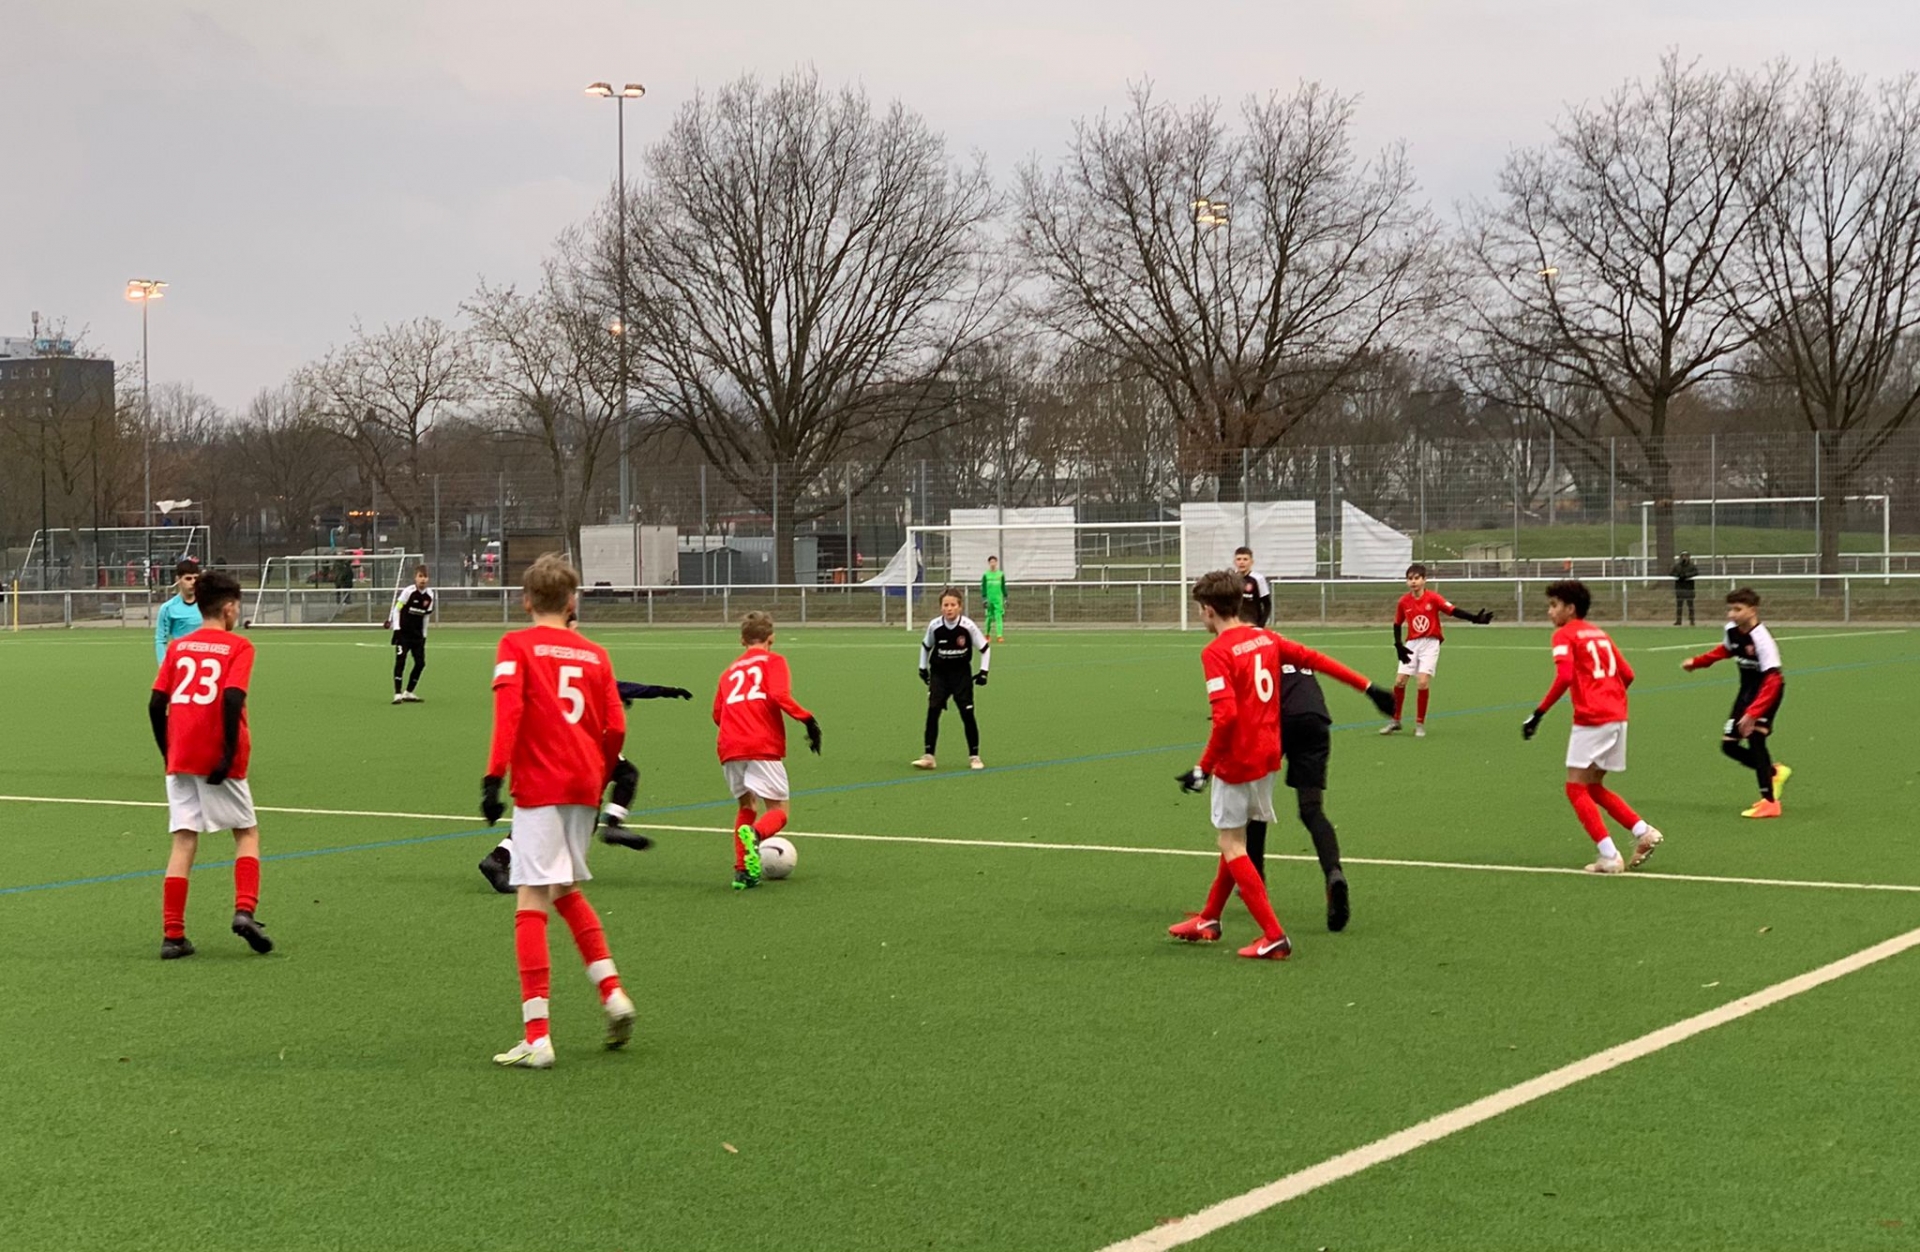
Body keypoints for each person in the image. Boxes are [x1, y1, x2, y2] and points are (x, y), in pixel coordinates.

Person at [479, 554, 636, 1069]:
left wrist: (493, 778)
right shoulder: (596, 654)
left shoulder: (516, 645)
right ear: (572, 602)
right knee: (564, 887)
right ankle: (612, 994)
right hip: (584, 785)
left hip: (540, 785)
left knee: (530, 895)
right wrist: (599, 772)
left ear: (526, 601)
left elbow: (509, 713)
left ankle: (538, 1037)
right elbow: (616, 726)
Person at [1166, 570, 1338, 961]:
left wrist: (1203, 767)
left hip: (1237, 759)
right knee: (1236, 836)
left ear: (1208, 610)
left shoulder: (1215, 651)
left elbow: (1225, 717)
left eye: (1199, 609)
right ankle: (1210, 918)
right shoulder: (1262, 637)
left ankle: (1274, 935)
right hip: (1266, 757)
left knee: (1230, 843)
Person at [476, 613, 694, 893]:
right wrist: (662, 691)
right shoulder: (582, 658)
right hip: (577, 750)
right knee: (571, 806)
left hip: (559, 748)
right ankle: (605, 828)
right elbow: (619, 695)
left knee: (558, 809)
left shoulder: (543, 658)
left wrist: (661, 691)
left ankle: (506, 858)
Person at [146, 570, 274, 960]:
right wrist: (228, 753)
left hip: (181, 755)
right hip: (218, 754)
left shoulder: (178, 647)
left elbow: (156, 704)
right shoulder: (239, 646)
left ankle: (173, 935)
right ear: (230, 607)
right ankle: (244, 911)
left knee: (184, 838)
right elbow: (232, 698)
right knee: (246, 832)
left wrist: (167, 753)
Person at [1253, 632, 1396, 931]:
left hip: (1277, 722)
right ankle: (1333, 873)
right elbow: (1325, 663)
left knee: (1255, 808)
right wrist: (1370, 689)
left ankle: (1255, 884)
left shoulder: (1250, 648)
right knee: (1311, 810)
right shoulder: (1288, 648)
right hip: (1315, 719)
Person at [1522, 580, 1665, 872]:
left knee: (1575, 788)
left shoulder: (1565, 634)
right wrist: (1609, 696)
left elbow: (1564, 677)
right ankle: (1643, 832)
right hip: (1617, 717)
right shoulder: (1600, 633)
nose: (1550, 612)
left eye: (1554, 605)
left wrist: (1539, 713)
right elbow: (1628, 674)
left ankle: (1609, 856)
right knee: (1593, 787)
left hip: (1592, 719)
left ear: (1570, 608)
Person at [715, 611, 822, 889]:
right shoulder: (774, 661)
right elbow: (778, 695)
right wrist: (807, 720)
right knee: (779, 810)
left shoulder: (728, 673)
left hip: (729, 745)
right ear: (771, 638)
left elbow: (717, 714)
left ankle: (743, 872)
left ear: (742, 640)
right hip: (761, 743)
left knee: (746, 805)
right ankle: (755, 834)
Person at [1681, 588, 1790, 819]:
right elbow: (1725, 650)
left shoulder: (1762, 640)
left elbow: (1773, 679)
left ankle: (1770, 802)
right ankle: (1773, 772)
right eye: (1730, 609)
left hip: (1767, 693)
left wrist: (1753, 713)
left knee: (1756, 739)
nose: (1732, 614)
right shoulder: (1732, 630)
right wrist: (1698, 662)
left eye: (1738, 609)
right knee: (1729, 745)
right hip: (1746, 693)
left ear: (1753, 610)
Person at [1380, 563, 1494, 738]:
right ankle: (1395, 720)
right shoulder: (1403, 601)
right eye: (1410, 579)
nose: (1413, 582)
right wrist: (1398, 645)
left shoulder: (1433, 598)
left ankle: (1419, 724)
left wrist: (1474, 618)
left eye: (1417, 578)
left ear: (1424, 580)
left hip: (1430, 643)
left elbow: (1453, 610)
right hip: (1411, 644)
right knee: (1400, 681)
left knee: (1422, 682)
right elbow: (1397, 624)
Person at [912, 588, 991, 771]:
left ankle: (974, 757)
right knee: (933, 712)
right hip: (939, 675)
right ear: (941, 607)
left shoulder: (968, 626)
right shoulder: (935, 626)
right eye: (945, 605)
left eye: (953, 605)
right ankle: (929, 756)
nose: (949, 608)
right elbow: (926, 646)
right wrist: (922, 668)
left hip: (961, 676)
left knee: (967, 714)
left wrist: (984, 672)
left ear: (960, 607)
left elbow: (985, 648)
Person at [388, 564, 434, 703]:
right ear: (415, 578)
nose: (423, 579)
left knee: (420, 663)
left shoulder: (430, 595)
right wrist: (396, 629)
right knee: (400, 661)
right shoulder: (408, 592)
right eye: (420, 576)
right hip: (403, 634)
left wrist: (424, 635)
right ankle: (397, 693)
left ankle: (408, 692)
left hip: (417, 636)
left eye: (425, 577)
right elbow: (397, 610)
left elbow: (426, 617)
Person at [153, 558, 203, 664]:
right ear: (178, 579)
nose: (193, 582)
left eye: (196, 578)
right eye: (188, 579)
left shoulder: (208, 605)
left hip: (205, 662)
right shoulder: (168, 608)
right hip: (181, 663)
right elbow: (161, 640)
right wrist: (163, 667)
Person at [1233, 546, 1271, 627]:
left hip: (1252, 624)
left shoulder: (1258, 579)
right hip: (1234, 625)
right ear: (1234, 562)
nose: (1241, 562)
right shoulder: (1230, 578)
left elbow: (1267, 605)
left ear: (1251, 562)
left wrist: (1261, 625)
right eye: (1239, 559)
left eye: (1245, 559)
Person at [980, 555, 1008, 643]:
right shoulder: (986, 575)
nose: (993, 564)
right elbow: (983, 587)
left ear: (996, 563)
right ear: (989, 563)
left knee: (998, 617)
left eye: (994, 562)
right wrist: (984, 598)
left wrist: (1005, 597)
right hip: (989, 600)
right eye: (991, 562)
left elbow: (1003, 586)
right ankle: (987, 635)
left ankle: (999, 636)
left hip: (998, 600)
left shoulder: (1000, 574)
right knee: (989, 618)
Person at [1670, 551, 1700, 626]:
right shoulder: (1677, 566)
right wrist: (1679, 575)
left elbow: (1696, 572)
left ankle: (1692, 620)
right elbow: (1671, 573)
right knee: (1679, 606)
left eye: (1686, 556)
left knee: (1690, 606)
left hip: (1689, 588)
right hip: (1679, 588)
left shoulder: (1692, 566)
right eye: (1683, 556)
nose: (1684, 558)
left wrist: (1686, 575)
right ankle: (1678, 620)